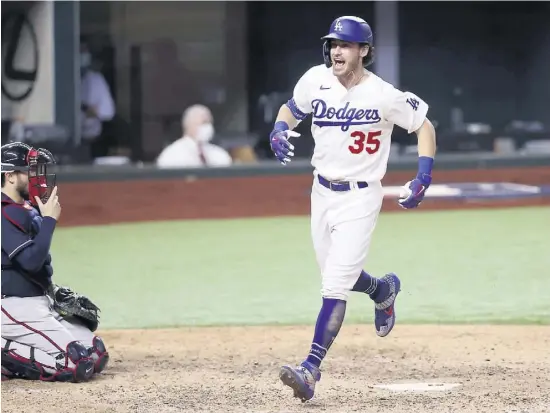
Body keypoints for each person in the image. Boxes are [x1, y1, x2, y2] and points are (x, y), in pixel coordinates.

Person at [269, 16, 437, 402]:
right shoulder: (315, 79)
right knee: (336, 273)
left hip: (361, 197)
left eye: (345, 45)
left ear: (364, 50)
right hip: (321, 193)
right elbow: (291, 109)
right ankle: (383, 290)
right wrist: (278, 130)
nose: (336, 51)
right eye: (333, 44)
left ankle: (310, 370)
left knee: (333, 286)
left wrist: (423, 176)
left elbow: (424, 126)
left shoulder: (382, 94)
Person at [1, 142, 109, 382]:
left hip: (38, 302)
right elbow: (29, 262)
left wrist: (51, 291)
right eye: (28, 171)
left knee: (96, 354)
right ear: (9, 176)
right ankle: (5, 354)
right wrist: (49, 220)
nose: (36, 177)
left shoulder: (27, 208)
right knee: (77, 363)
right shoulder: (3, 213)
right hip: (13, 306)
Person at [156, 104, 232, 168]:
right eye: (204, 122)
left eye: (210, 123)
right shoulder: (172, 155)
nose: (208, 127)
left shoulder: (219, 154)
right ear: (189, 124)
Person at [80, 40, 116, 158]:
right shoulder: (63, 79)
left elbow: (108, 112)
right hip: (69, 141)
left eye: (85, 51)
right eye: (80, 51)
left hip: (92, 142)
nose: (83, 55)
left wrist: (91, 111)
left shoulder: (96, 79)